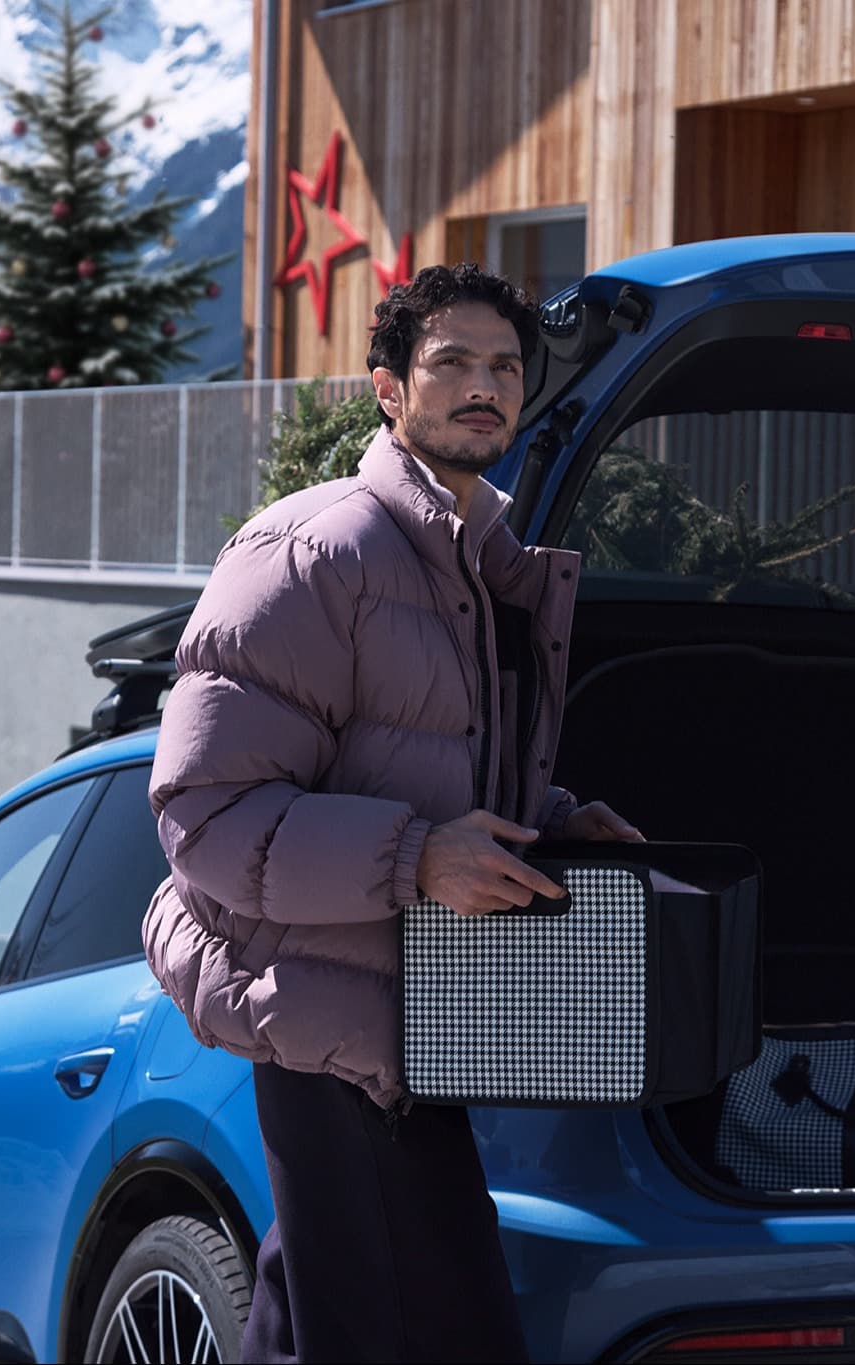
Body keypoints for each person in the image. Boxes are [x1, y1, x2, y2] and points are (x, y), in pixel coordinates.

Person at [141, 262, 644, 1364]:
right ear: (386, 390)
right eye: (452, 363)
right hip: (338, 1029)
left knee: (318, 1322)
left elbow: (431, 770)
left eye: (505, 367)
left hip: (428, 1021)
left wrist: (554, 822)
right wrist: (418, 861)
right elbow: (206, 815)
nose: (485, 387)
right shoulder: (315, 551)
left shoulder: (478, 565)